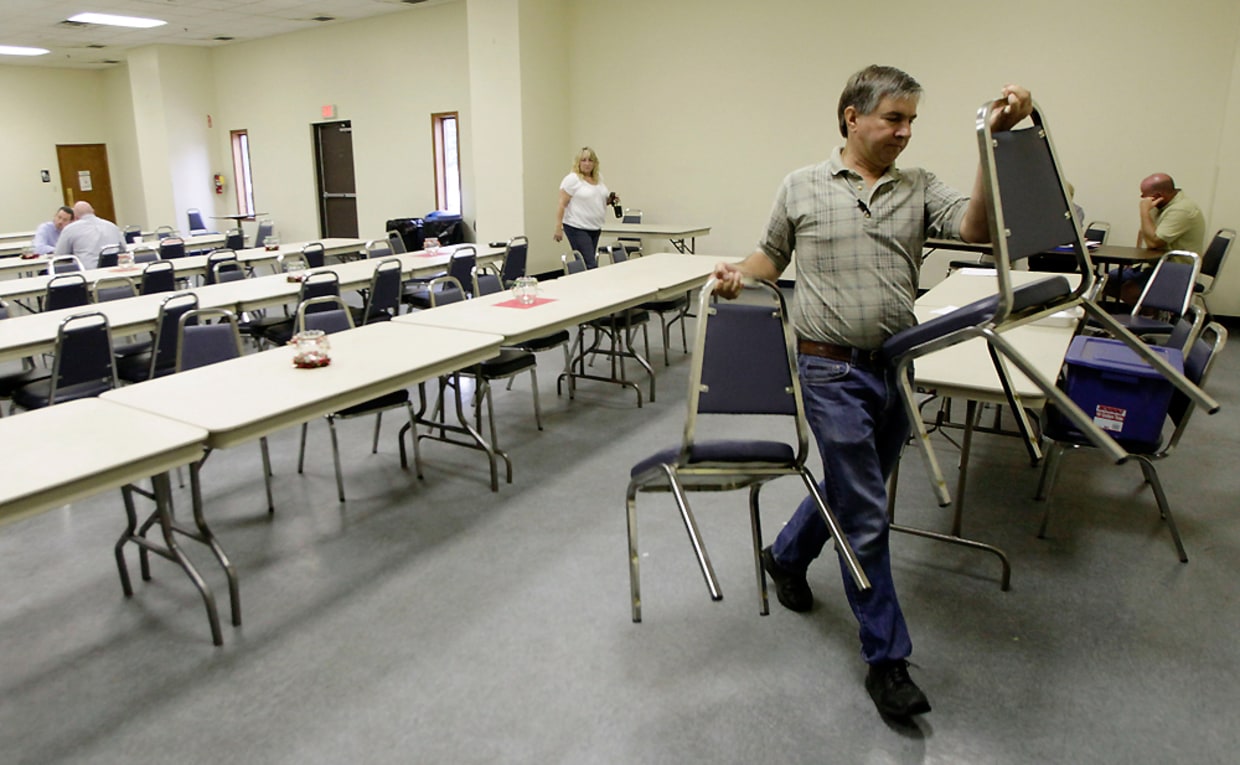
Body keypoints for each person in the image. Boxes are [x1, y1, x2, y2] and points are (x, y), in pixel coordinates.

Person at [712, 65, 1032, 720]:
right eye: (894, 118)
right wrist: (735, 274)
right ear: (852, 117)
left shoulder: (919, 187)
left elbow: (974, 229)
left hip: (894, 368)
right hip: (828, 370)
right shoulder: (801, 185)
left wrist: (990, 145)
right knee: (864, 512)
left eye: (912, 120)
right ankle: (886, 660)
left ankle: (786, 554)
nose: (905, 132)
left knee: (850, 487)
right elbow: (769, 258)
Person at [1109, 174, 1206, 303]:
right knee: (1108, 282)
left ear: (1158, 196)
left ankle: (1150, 319)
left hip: (1176, 269)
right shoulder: (1161, 205)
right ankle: (1147, 312)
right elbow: (1144, 232)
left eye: (1144, 195)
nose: (1142, 198)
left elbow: (1154, 242)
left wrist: (1143, 211)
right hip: (1153, 265)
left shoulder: (1182, 210)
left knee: (1129, 291)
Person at [554, 146, 618, 268]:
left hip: (594, 227)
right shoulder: (573, 179)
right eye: (583, 160)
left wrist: (610, 200)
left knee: (587, 262)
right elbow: (562, 203)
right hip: (577, 226)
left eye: (590, 160)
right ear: (578, 162)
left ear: (595, 163)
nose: (587, 164)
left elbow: (596, 201)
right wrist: (558, 227)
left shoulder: (598, 178)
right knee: (590, 264)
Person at [53, 201, 126, 270]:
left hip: (86, 274)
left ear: (75, 217)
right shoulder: (112, 226)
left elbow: (59, 256)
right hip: (114, 272)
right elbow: (123, 249)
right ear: (93, 212)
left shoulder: (70, 229)